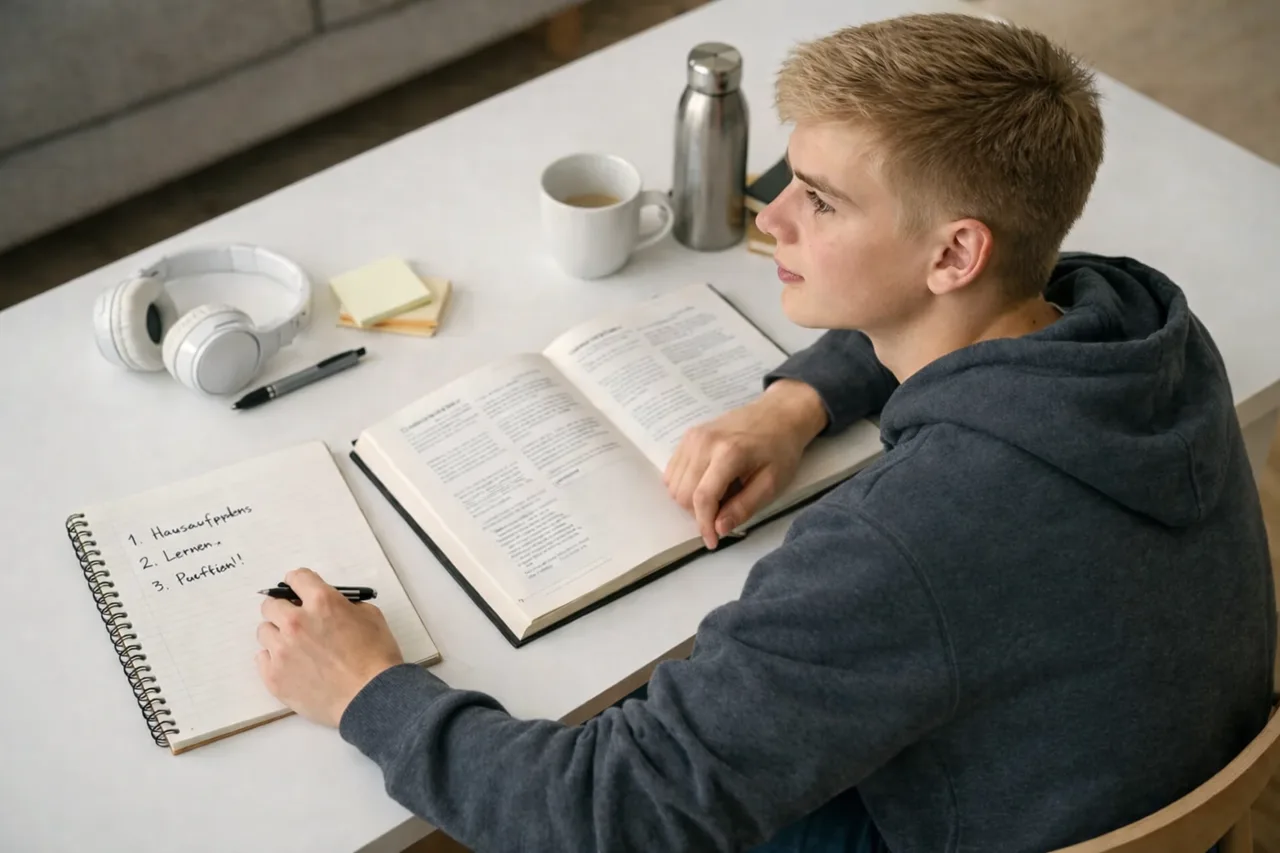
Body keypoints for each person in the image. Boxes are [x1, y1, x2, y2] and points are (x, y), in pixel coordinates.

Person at [253, 12, 1276, 853]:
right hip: (1112, 768)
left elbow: (606, 813)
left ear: (953, 253)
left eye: (820, 201)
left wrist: (367, 692)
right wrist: (802, 400)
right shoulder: (1144, 325)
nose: (772, 218)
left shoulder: (899, 542)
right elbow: (981, 308)